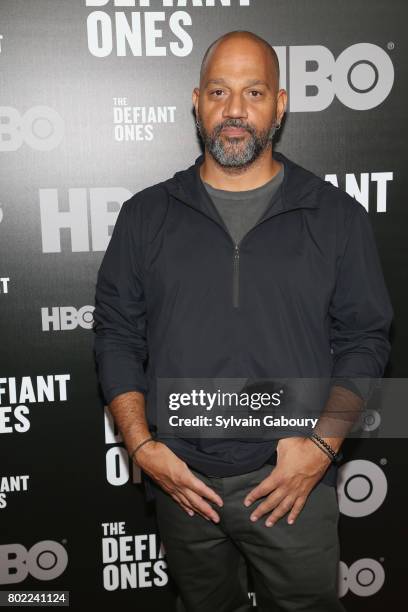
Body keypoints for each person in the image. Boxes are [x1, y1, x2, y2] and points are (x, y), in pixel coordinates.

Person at [93, 30, 393, 612]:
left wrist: (322, 446)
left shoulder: (335, 218)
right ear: (197, 101)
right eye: (219, 91)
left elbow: (365, 339)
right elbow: (116, 334)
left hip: (293, 482)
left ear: (280, 105)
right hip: (183, 484)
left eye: (254, 92)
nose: (235, 111)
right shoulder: (145, 215)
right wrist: (142, 446)